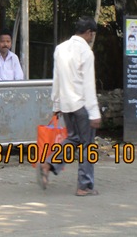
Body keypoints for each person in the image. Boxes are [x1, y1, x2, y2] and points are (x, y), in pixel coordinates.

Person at [38, 16, 101, 196]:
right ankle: (84, 185)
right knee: (87, 145)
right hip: (82, 105)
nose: (91, 38)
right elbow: (89, 84)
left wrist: (56, 103)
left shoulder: (60, 48)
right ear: (88, 33)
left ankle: (50, 163)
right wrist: (94, 112)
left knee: (73, 139)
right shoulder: (86, 53)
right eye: (92, 35)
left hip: (66, 104)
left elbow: (56, 78)